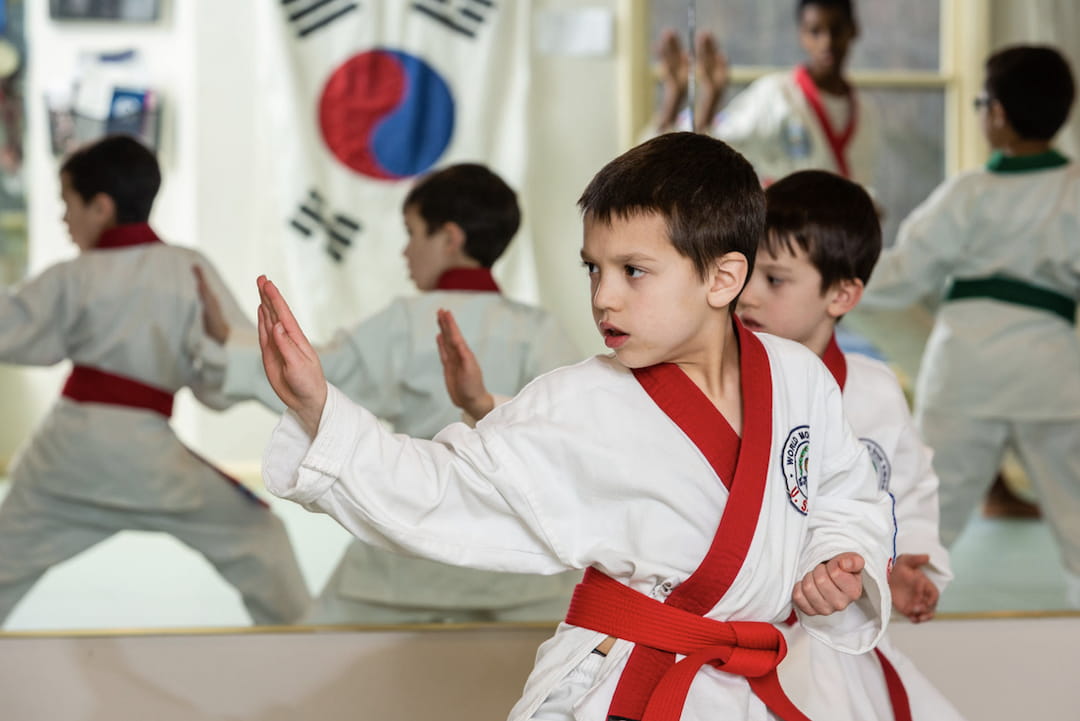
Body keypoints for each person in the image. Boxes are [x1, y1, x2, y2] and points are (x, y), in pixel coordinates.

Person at [257, 132, 895, 720]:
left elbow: (844, 493)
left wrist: (837, 560)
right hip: (624, 685)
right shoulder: (580, 400)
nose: (603, 297)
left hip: (755, 684)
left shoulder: (797, 377)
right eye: (594, 268)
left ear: (723, 278)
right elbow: (444, 485)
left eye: (633, 271)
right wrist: (320, 409)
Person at [199, 162, 583, 624]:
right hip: (519, 564)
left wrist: (225, 343)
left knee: (306, 661)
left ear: (450, 238)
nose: (405, 252)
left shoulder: (405, 320)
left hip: (409, 552)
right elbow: (569, 432)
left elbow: (319, 376)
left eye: (412, 233)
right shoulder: (539, 330)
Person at [0, 134, 309, 626]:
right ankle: (307, 651)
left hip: (64, 455)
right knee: (258, 537)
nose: (64, 219)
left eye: (68, 204)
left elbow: (11, 331)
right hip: (149, 458)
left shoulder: (72, 276)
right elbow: (221, 381)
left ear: (101, 207)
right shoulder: (188, 268)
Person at [736, 170, 964, 720]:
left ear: (842, 294)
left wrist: (908, 559)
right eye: (743, 270)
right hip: (735, 627)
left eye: (775, 279)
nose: (746, 295)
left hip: (829, 632)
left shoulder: (872, 392)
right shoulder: (720, 379)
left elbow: (905, 487)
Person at [860, 45, 1080, 606]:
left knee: (929, 510)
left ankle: (900, 618)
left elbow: (905, 272)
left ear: (998, 114)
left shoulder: (969, 193)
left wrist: (834, 277)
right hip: (1050, 371)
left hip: (966, 368)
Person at [652, 0, 879, 189]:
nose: (827, 42)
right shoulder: (776, 95)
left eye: (836, 29)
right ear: (802, 35)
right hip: (784, 236)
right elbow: (710, 146)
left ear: (854, 30)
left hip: (844, 237)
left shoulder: (865, 111)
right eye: (815, 31)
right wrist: (707, 97)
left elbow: (864, 180)